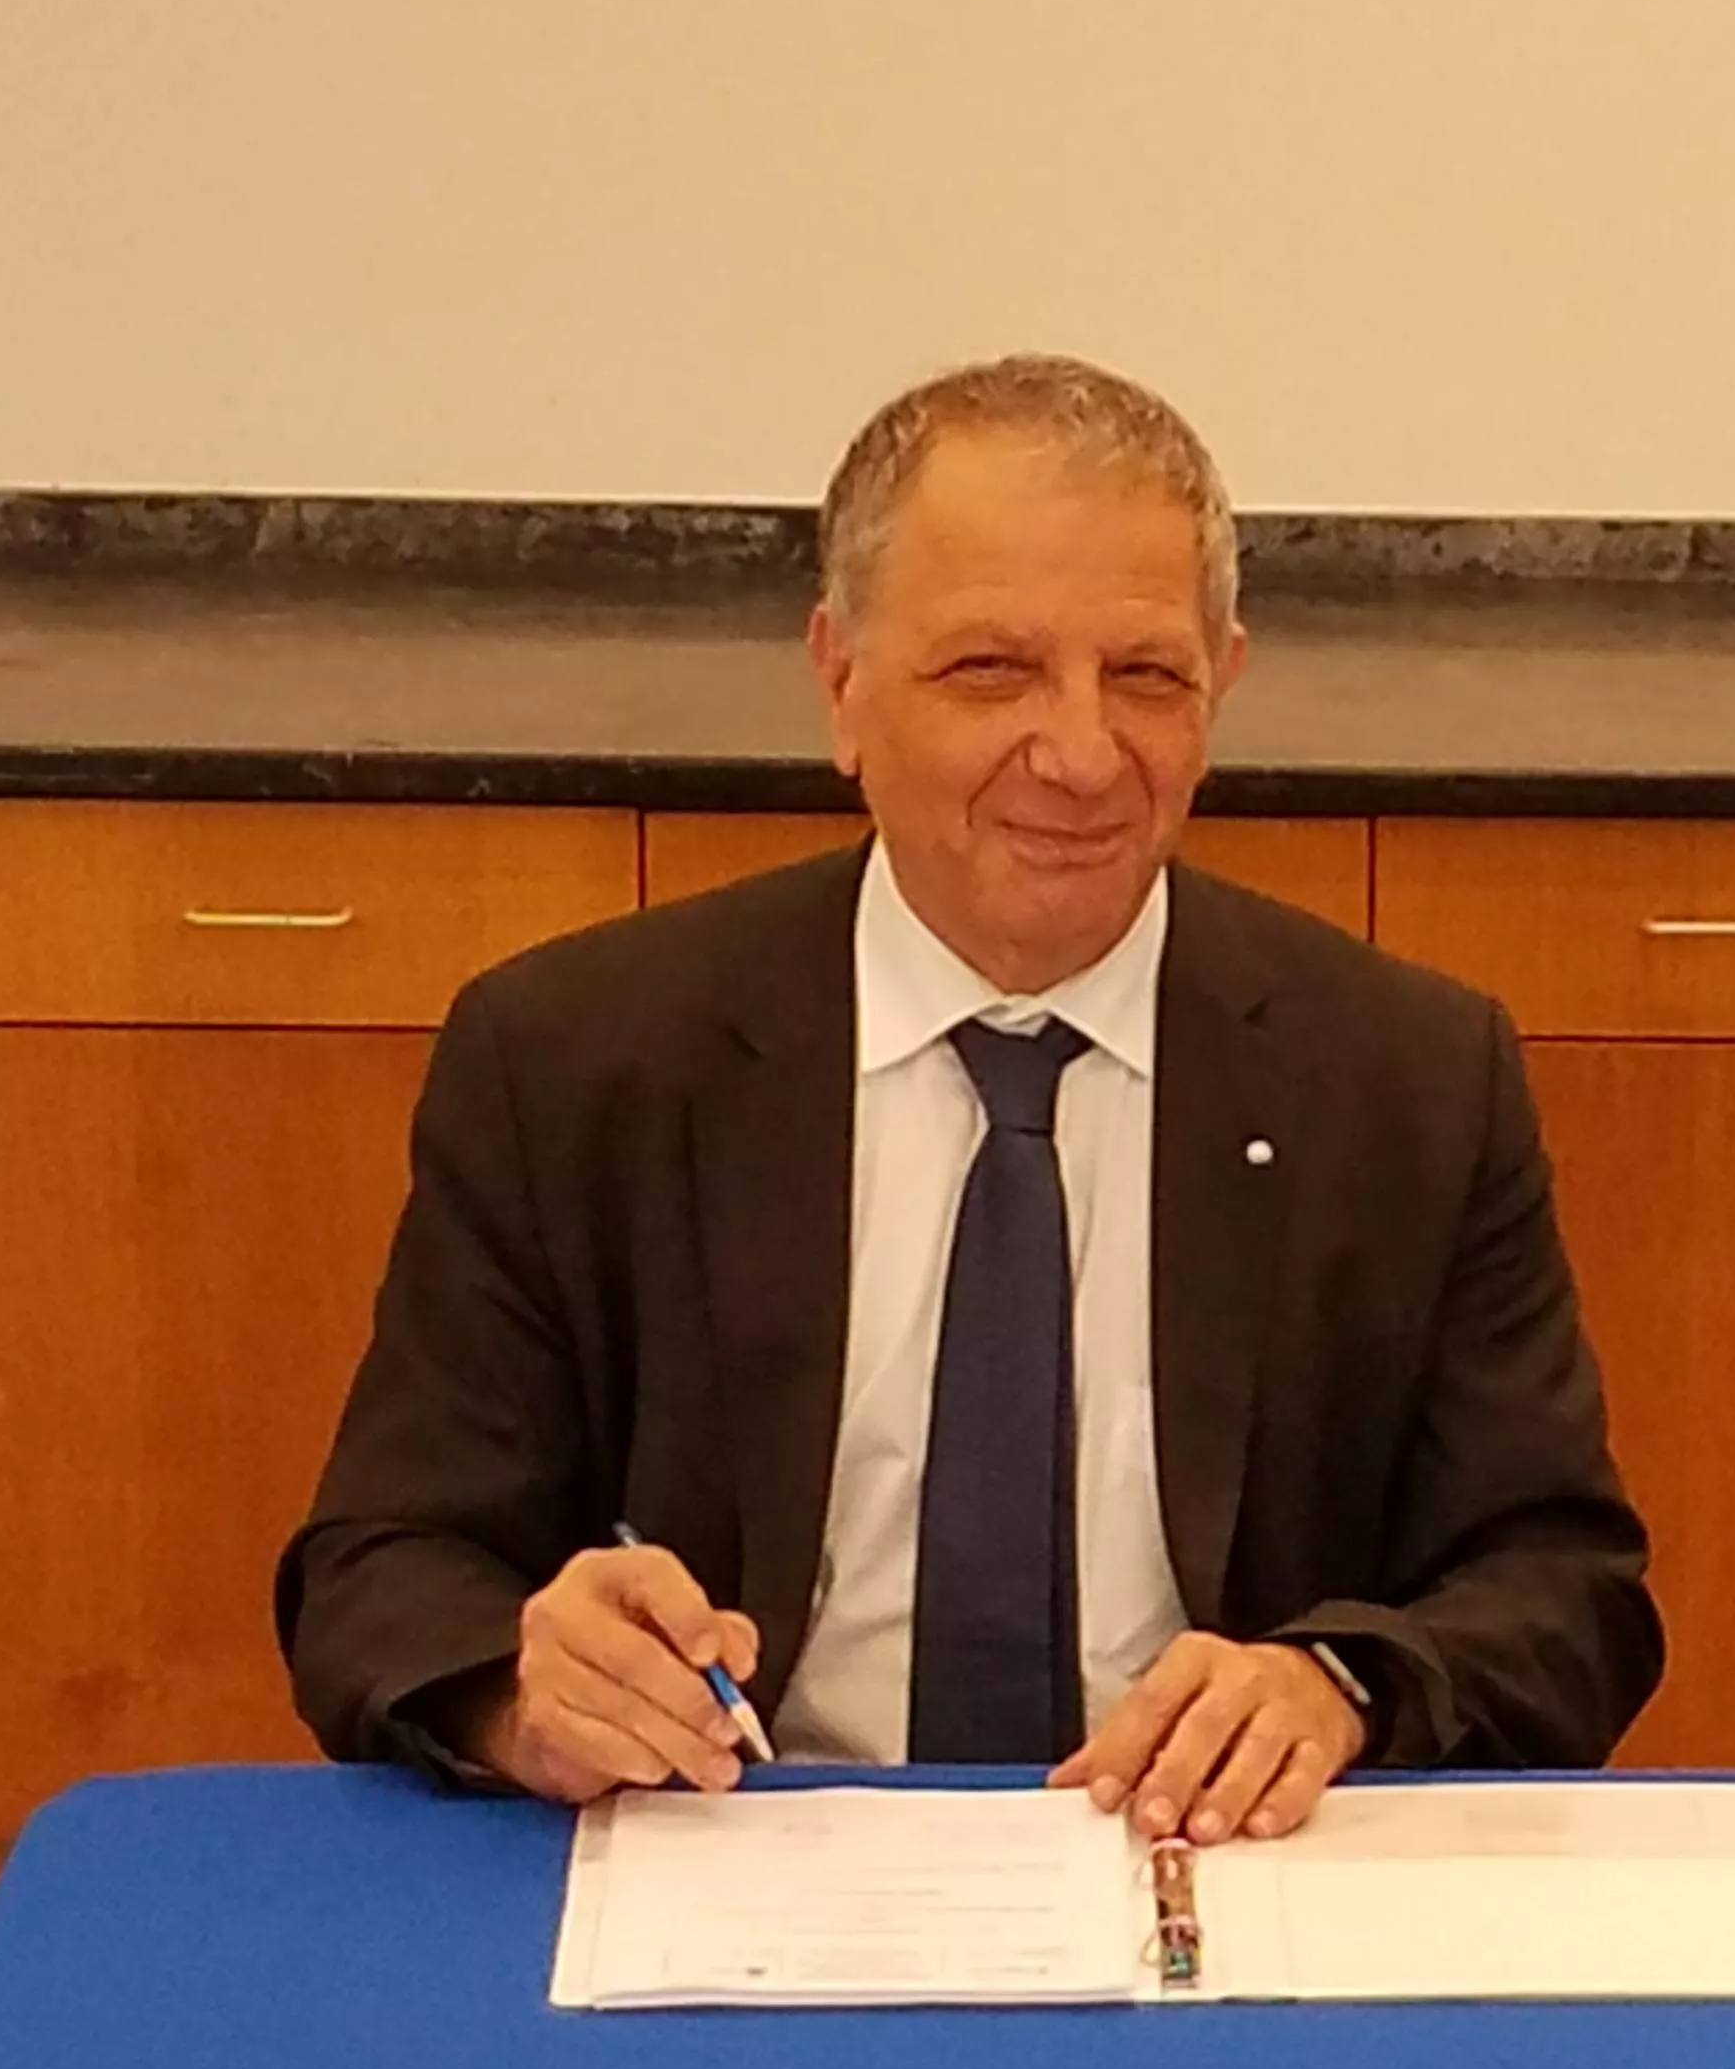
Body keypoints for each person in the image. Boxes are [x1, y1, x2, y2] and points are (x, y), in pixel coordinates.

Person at [280, 355, 1657, 1841]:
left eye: (1145, 676)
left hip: (1214, 1881)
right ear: (840, 682)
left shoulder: (1405, 1079)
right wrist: (522, 1684)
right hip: (740, 1860)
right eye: (990, 671)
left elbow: (1564, 1590)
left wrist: (1342, 1685)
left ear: (1226, 685)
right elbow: (384, 1567)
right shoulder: (578, 1059)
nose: (1078, 756)